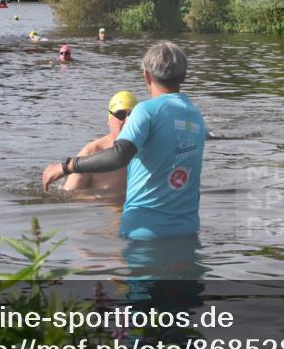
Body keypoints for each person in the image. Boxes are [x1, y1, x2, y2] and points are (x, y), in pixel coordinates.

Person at [42, 41, 207, 240]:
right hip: (188, 231)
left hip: (144, 233)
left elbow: (119, 155)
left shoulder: (146, 111)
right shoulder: (196, 117)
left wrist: (66, 166)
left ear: (146, 75)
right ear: (184, 76)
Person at [60, 91, 138, 193]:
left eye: (132, 115)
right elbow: (68, 196)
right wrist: (106, 200)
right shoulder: (91, 152)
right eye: (120, 114)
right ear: (109, 119)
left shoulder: (148, 149)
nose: (127, 121)